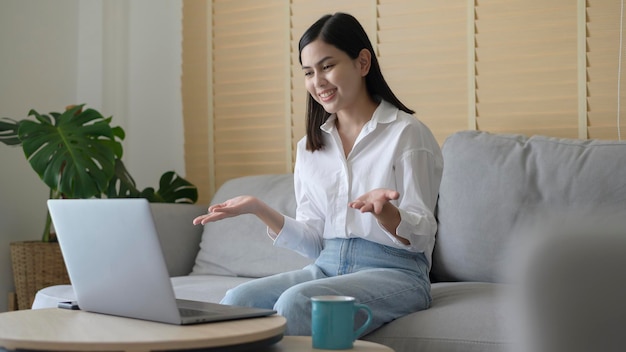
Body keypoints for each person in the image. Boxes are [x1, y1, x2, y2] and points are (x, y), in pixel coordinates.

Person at [193, 12, 443, 336]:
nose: (317, 82)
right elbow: (315, 243)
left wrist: (388, 215)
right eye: (309, 72)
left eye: (327, 66)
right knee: (236, 301)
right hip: (328, 267)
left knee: (296, 303)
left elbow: (422, 233)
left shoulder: (407, 134)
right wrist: (259, 208)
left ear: (362, 62)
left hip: (398, 273)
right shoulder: (310, 148)